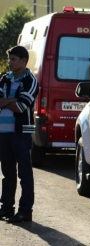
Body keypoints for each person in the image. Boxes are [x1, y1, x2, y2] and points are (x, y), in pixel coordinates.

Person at [0, 46, 39, 223]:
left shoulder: (31, 81)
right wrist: (13, 99)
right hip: (3, 133)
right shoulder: (4, 79)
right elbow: (13, 103)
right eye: (9, 59)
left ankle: (25, 211)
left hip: (22, 133)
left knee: (24, 173)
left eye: (13, 59)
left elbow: (21, 107)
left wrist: (6, 102)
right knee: (7, 173)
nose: (10, 62)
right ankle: (6, 208)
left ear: (23, 61)